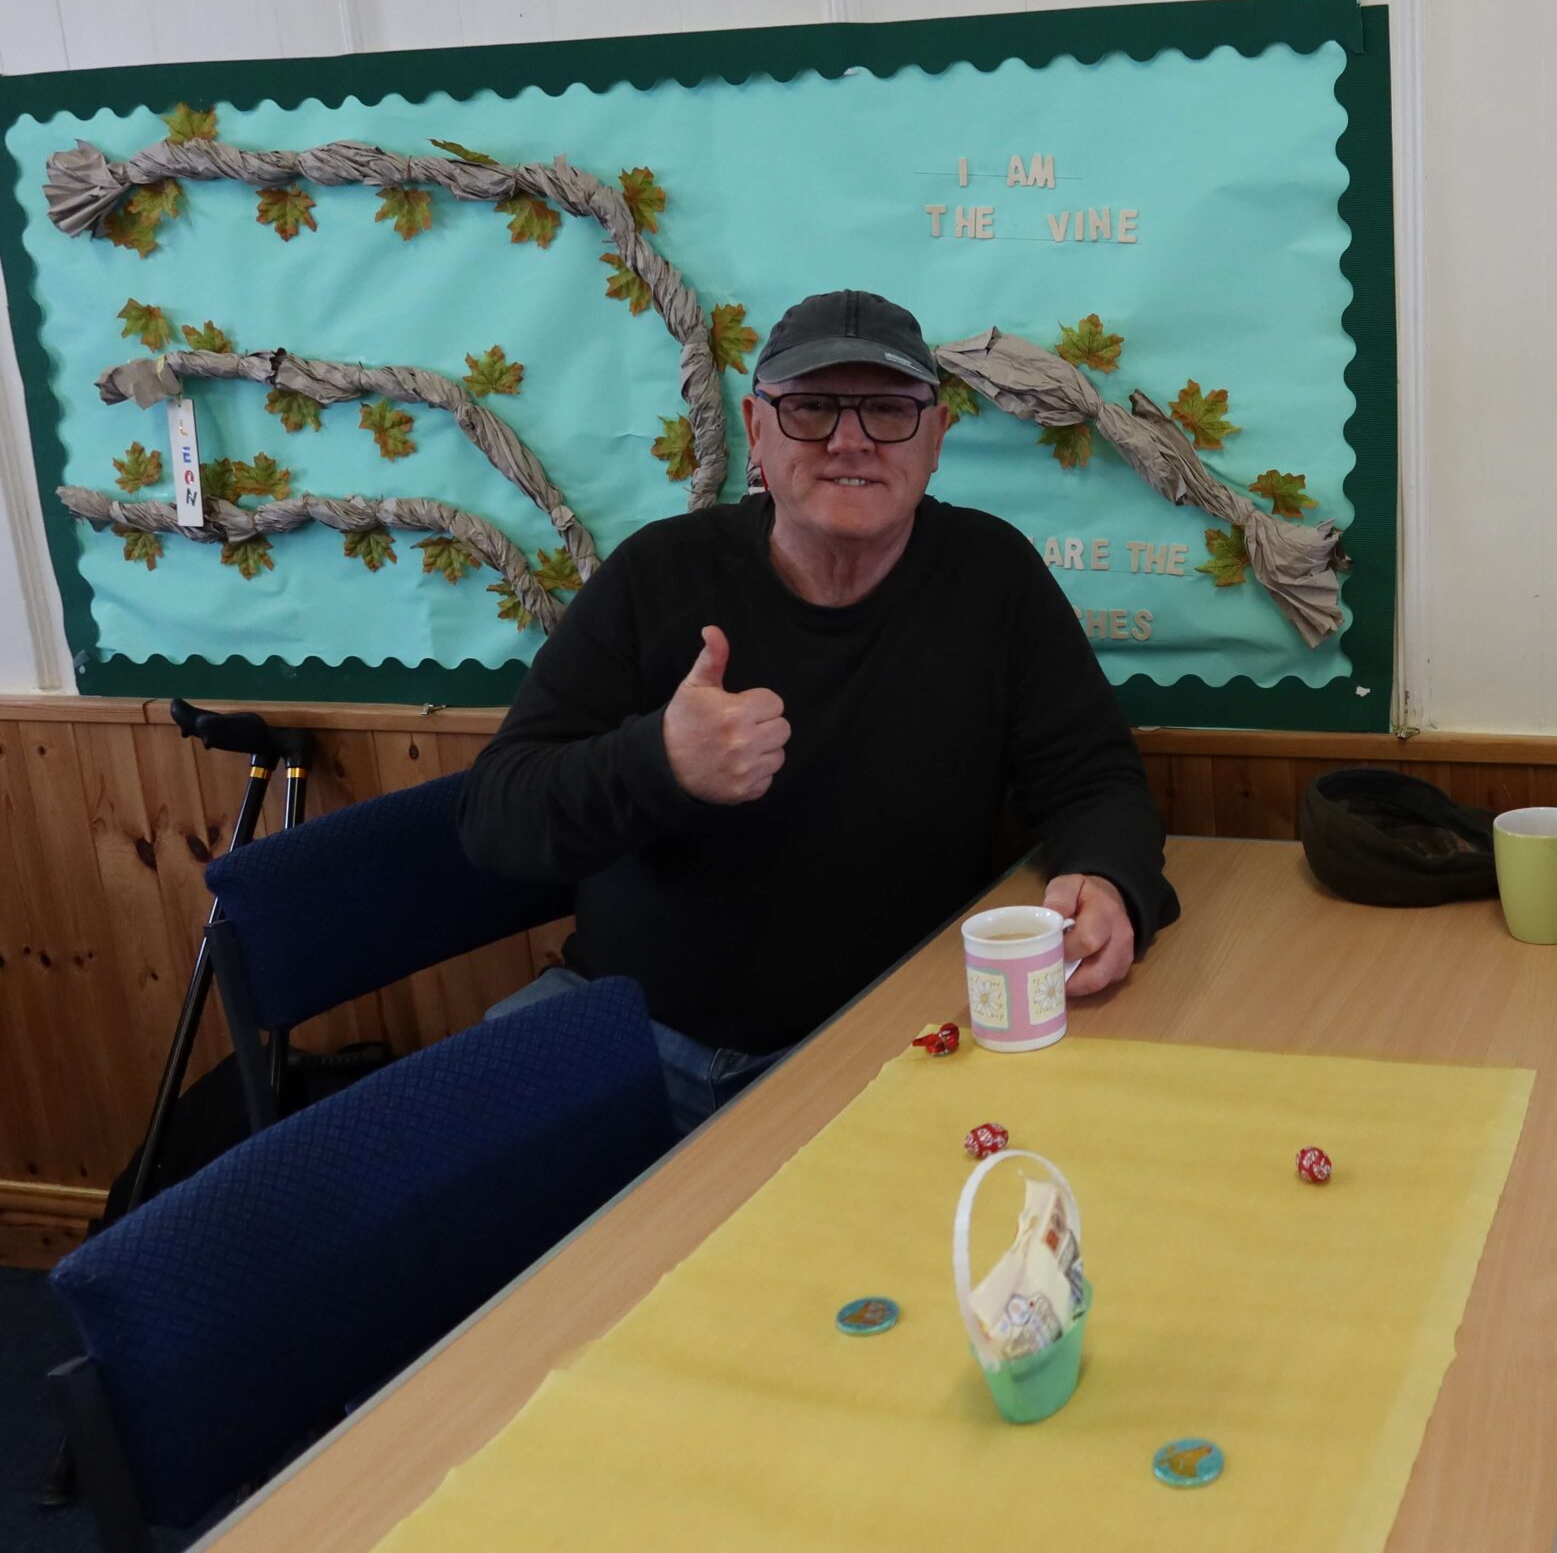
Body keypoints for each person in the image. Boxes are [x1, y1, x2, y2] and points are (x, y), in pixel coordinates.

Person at [460, 289, 1177, 1129]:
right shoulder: (658, 574)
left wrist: (1107, 881)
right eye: (810, 409)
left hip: (875, 1054)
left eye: (887, 410)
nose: (850, 439)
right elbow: (493, 819)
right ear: (756, 430)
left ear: (937, 436)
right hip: (631, 1037)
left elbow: (1095, 779)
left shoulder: (993, 577)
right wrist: (658, 761)